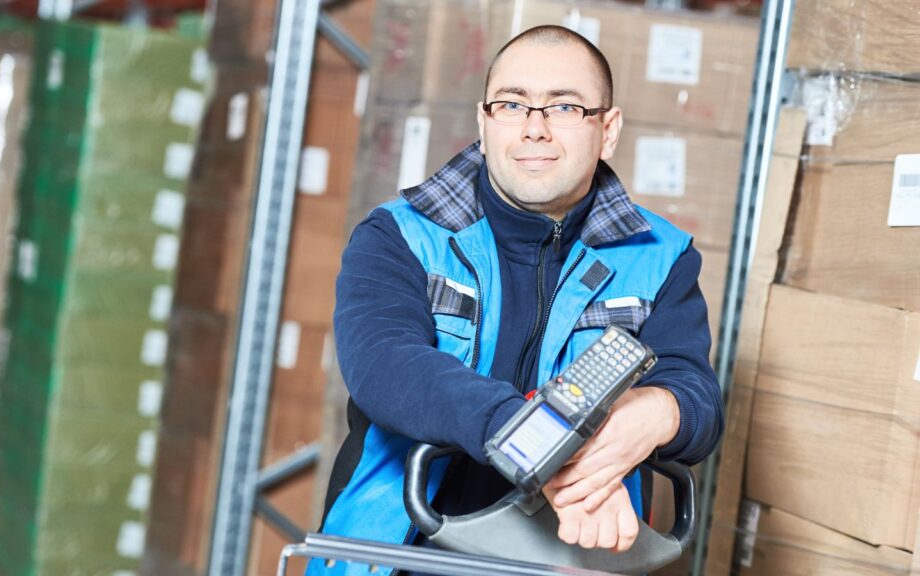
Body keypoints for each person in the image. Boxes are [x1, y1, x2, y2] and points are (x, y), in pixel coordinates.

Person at [309, 24, 723, 576]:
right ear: (484, 123)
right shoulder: (401, 236)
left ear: (609, 130)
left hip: (569, 558)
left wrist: (659, 412)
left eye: (566, 108)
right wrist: (535, 443)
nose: (535, 129)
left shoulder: (663, 257)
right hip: (396, 556)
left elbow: (694, 391)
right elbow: (385, 364)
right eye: (512, 104)